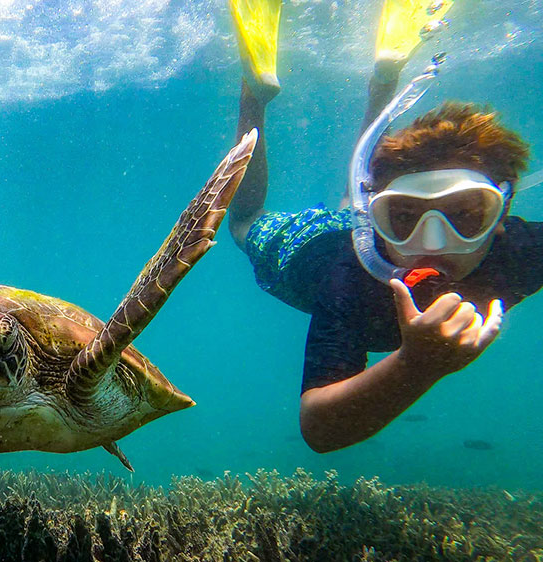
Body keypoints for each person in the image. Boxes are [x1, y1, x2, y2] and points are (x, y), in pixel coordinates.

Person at [226, 0, 538, 452]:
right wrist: (417, 365)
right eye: (405, 217)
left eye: (467, 215)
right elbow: (319, 429)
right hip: (301, 246)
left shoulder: (520, 247)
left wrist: (416, 363)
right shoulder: (348, 282)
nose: (432, 244)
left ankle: (378, 81)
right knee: (244, 223)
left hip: (362, 225)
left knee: (354, 197)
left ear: (503, 216)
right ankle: (256, 96)